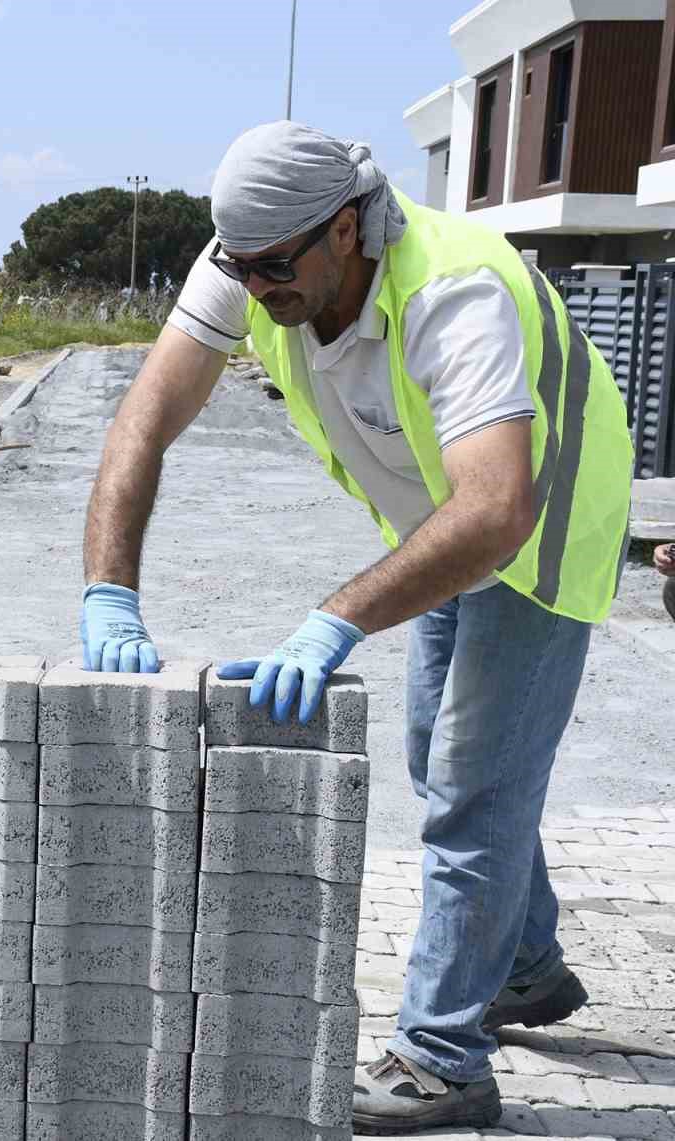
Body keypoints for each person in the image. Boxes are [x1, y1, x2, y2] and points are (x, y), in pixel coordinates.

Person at [80, 121, 631, 1135]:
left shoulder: (450, 295)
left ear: (344, 229)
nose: (255, 291)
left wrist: (336, 616)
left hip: (540, 516)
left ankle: (442, 1057)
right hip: (447, 511)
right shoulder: (255, 260)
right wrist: (107, 589)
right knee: (438, 757)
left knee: (474, 788)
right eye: (236, 268)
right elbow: (141, 421)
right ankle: (524, 966)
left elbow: (496, 510)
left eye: (272, 268)